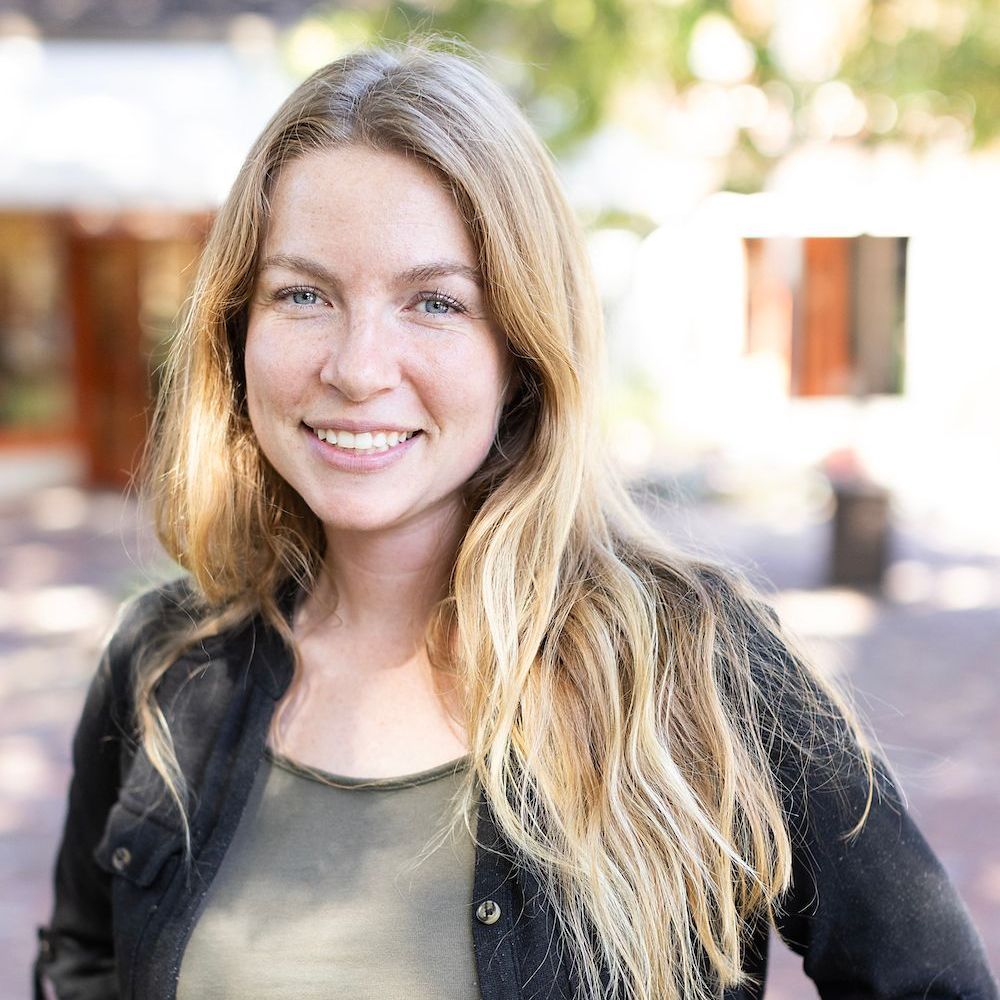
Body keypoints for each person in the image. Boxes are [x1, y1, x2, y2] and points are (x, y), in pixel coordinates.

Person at [35, 42, 997, 1000]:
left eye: (435, 302)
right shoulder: (162, 663)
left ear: (522, 350)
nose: (360, 367)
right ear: (236, 329)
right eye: (303, 294)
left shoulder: (696, 665)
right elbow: (83, 962)